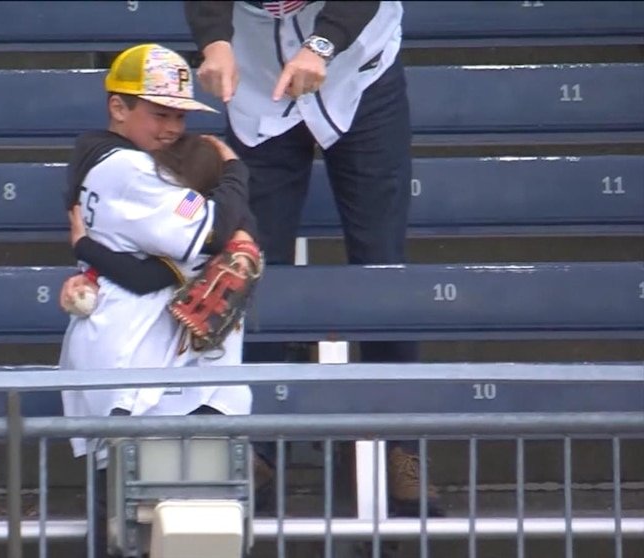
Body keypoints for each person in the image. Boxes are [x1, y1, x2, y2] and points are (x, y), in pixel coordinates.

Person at [183, 1, 441, 517]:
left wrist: (322, 45)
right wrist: (214, 42)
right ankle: (254, 445)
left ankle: (401, 447)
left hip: (359, 70)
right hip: (256, 71)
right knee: (251, 261)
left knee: (381, 264)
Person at [56, 43, 262, 557]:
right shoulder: (129, 168)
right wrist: (234, 170)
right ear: (118, 107)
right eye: (159, 113)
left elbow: (158, 262)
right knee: (150, 522)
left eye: (179, 116)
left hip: (135, 357)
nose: (172, 128)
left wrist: (85, 250)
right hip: (141, 361)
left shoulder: (107, 160)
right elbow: (211, 232)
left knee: (151, 522)